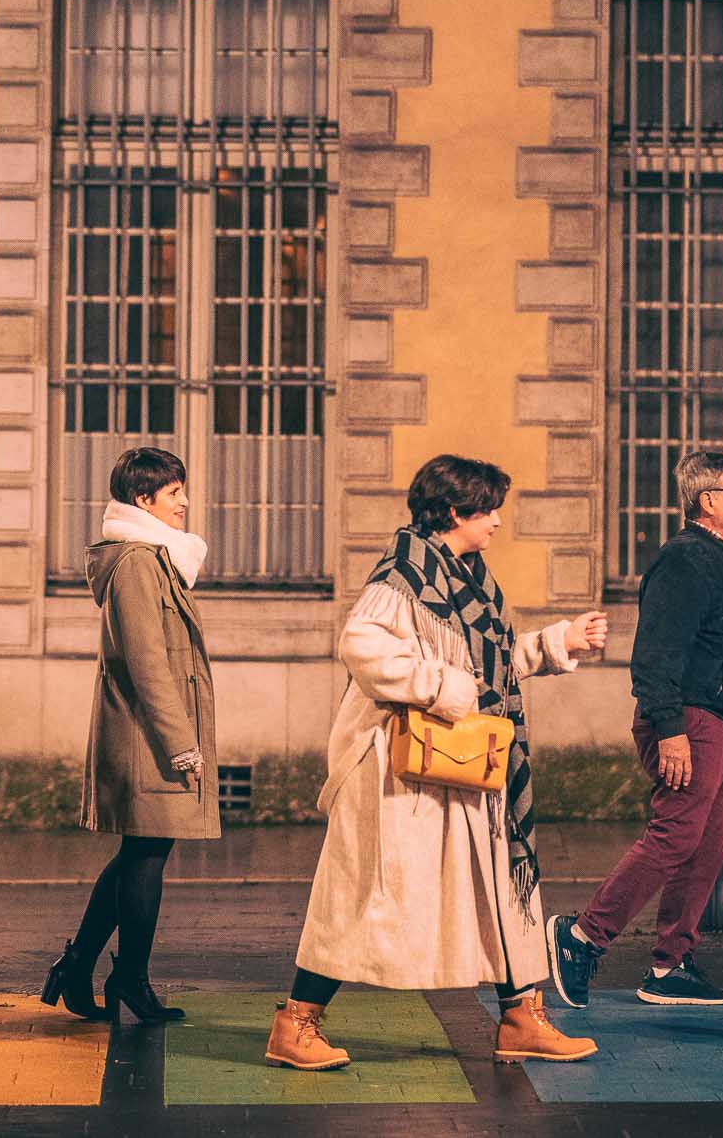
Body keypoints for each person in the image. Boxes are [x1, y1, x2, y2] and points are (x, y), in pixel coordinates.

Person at [267, 455, 608, 1071]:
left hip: (461, 763)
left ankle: (520, 1017)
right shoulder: (403, 576)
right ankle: (296, 1023)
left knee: (497, 888)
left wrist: (556, 643)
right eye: (488, 509)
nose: (497, 521)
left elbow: (491, 667)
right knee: (364, 897)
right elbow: (362, 648)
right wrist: (444, 686)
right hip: (396, 773)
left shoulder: (469, 581)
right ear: (454, 511)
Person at [550, 450, 723, 1009]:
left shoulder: (718, 561)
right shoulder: (686, 560)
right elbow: (656, 653)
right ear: (707, 500)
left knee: (706, 845)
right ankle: (582, 937)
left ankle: (670, 965)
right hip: (689, 720)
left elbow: (721, 654)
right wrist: (670, 729)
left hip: (717, 722)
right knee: (676, 836)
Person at [43, 447, 217, 1026]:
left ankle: (82, 966)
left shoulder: (153, 557)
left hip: (147, 732)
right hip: (146, 736)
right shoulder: (139, 562)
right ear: (144, 500)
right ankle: (127, 978)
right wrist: (181, 743)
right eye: (173, 493)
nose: (184, 502)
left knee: (140, 852)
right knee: (145, 854)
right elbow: (147, 662)